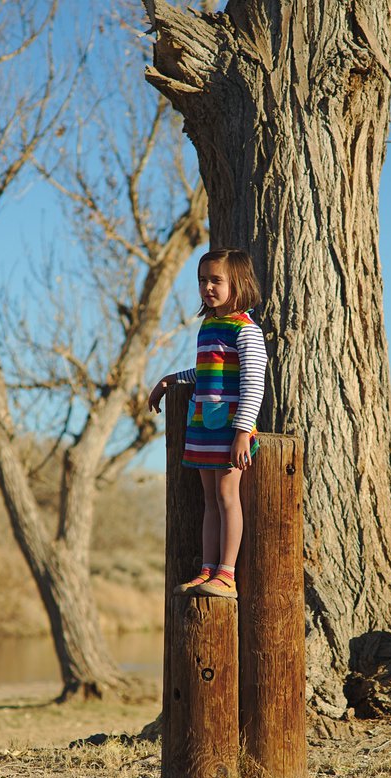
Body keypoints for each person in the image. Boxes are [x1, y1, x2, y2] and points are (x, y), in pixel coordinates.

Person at [148, 248, 268, 599]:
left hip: (230, 430)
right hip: (203, 426)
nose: (208, 287)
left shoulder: (246, 330)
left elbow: (252, 383)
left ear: (239, 283)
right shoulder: (210, 325)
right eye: (203, 280)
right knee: (210, 500)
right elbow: (209, 371)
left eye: (217, 280)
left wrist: (243, 432)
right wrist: (173, 378)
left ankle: (226, 575)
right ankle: (207, 571)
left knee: (228, 497)